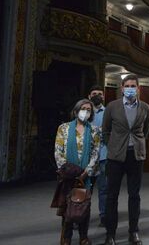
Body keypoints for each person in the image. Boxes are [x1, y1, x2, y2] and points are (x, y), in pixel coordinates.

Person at [102, 74, 149, 245]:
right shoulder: (112, 106)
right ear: (122, 88)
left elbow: (146, 130)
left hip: (136, 156)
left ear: (138, 89)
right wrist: (113, 146)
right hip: (116, 156)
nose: (130, 88)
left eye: (134, 86)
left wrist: (137, 143)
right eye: (127, 85)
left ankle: (133, 232)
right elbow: (106, 130)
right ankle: (110, 234)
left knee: (134, 196)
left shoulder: (145, 107)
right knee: (111, 196)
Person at [52, 99, 101, 245]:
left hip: (85, 176)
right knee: (67, 205)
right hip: (68, 175)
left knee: (83, 205)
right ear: (76, 110)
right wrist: (70, 172)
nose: (85, 111)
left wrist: (85, 173)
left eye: (88, 109)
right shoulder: (64, 128)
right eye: (83, 108)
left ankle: (83, 237)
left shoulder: (94, 130)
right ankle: (66, 237)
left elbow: (96, 153)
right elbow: (58, 152)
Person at [87, 86, 107, 227]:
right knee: (85, 188)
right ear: (89, 96)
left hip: (103, 156)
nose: (97, 96)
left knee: (104, 189)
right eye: (94, 94)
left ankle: (104, 216)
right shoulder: (84, 113)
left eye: (100, 94)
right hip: (86, 158)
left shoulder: (108, 113)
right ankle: (80, 215)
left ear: (104, 97)